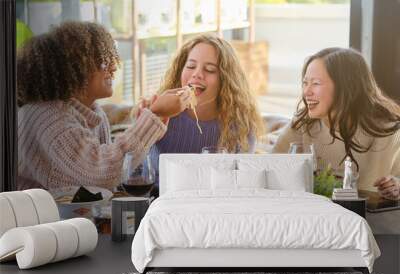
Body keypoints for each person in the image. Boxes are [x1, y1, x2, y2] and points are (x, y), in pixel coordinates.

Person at [17, 21, 191, 196]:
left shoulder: (94, 113)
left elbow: (106, 185)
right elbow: (100, 174)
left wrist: (150, 122)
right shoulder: (45, 117)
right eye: (102, 61)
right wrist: (154, 115)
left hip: (74, 220)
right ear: (73, 67)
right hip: (40, 221)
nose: (113, 67)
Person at [272, 47, 400, 200]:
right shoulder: (304, 122)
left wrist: (396, 187)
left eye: (316, 83)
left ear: (346, 86)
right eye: (305, 83)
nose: (307, 92)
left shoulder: (387, 128)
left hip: (369, 218)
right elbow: (271, 167)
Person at [144, 33, 264, 187]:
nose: (197, 74)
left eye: (210, 69)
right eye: (191, 66)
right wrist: (150, 117)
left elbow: (238, 185)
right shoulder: (159, 112)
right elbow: (132, 166)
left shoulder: (242, 128)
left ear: (226, 81)